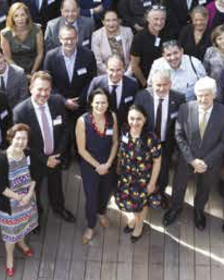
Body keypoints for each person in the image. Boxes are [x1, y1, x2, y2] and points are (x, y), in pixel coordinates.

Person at [166, 77, 224, 230]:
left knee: (204, 188)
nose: (203, 99)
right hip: (187, 159)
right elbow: (179, 135)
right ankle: (175, 208)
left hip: (211, 162)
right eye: (200, 95)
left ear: (214, 94)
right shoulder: (185, 108)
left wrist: (205, 162)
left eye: (207, 95)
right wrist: (192, 160)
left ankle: (199, 211)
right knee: (179, 185)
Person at [13, 71, 76, 224]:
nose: (43, 93)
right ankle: (37, 216)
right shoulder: (20, 112)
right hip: (35, 161)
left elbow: (65, 129)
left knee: (56, 184)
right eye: (39, 89)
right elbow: (23, 143)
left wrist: (57, 154)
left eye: (47, 89)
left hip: (55, 157)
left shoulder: (57, 102)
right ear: (31, 88)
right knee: (35, 189)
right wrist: (44, 159)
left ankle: (59, 208)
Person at [0, 125, 39, 277]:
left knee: (24, 225)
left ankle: (22, 242)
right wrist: (19, 198)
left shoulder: (28, 153)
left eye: (24, 138)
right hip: (10, 205)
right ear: (11, 138)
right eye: (18, 138)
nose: (21, 141)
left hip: (27, 200)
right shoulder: (1, 159)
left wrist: (28, 195)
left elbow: (35, 176)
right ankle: (10, 257)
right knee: (11, 236)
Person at [114, 102, 163, 242]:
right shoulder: (124, 130)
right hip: (126, 176)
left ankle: (139, 225)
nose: (135, 123)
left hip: (143, 179)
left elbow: (157, 161)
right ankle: (136, 219)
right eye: (132, 118)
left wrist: (152, 183)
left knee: (141, 204)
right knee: (129, 202)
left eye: (139, 119)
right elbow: (121, 150)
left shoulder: (151, 138)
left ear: (145, 119)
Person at [76, 90, 118, 244]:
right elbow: (81, 150)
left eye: (104, 102)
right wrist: (98, 166)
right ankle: (91, 224)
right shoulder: (82, 121)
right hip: (90, 165)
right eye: (97, 102)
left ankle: (102, 213)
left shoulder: (112, 117)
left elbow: (115, 142)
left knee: (106, 191)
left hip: (108, 163)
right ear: (91, 103)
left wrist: (108, 163)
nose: (101, 106)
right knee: (91, 196)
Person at [129, 6, 170, 87]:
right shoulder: (139, 38)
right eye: (156, 19)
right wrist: (146, 84)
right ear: (148, 19)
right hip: (146, 82)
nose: (159, 22)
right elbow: (135, 66)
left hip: (165, 81)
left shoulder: (169, 35)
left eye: (162, 19)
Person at [1, 2, 45, 77]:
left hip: (35, 67)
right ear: (12, 18)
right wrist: (22, 74)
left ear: (27, 16)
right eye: (16, 16)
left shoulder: (37, 29)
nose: (20, 19)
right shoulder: (5, 34)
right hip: (15, 69)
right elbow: (8, 58)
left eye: (22, 15)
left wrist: (33, 72)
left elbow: (40, 54)